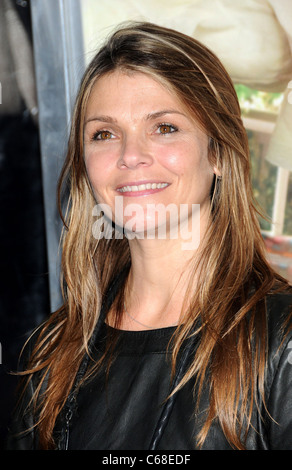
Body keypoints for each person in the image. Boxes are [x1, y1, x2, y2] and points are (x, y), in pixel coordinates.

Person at [7, 21, 292, 451]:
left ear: (217, 151)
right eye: (104, 133)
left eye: (164, 127)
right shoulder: (51, 353)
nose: (130, 156)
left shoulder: (281, 343)